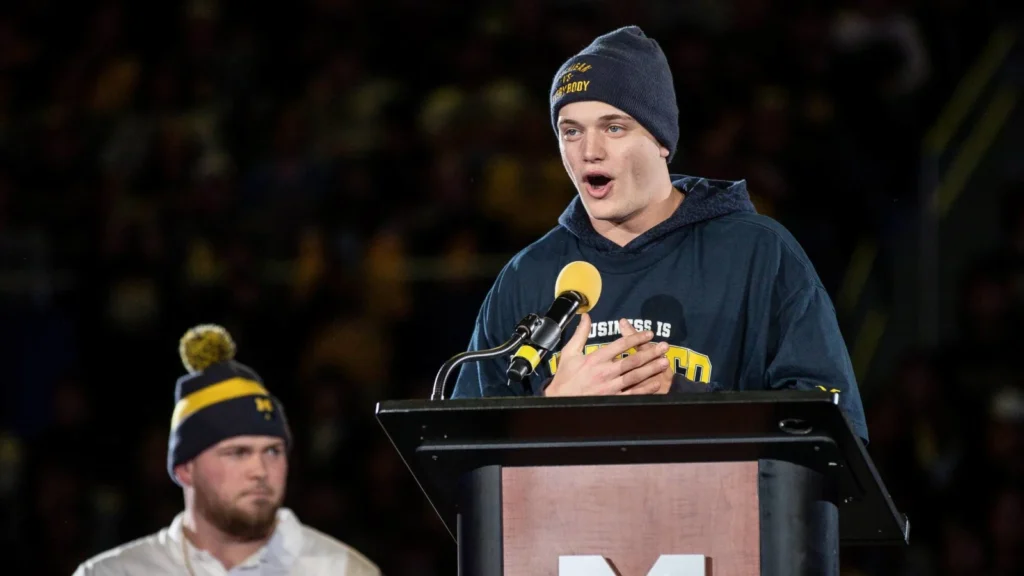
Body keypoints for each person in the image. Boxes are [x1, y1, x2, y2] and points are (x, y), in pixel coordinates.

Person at [450, 25, 868, 444]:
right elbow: (463, 455)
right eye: (571, 130)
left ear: (661, 140)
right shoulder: (528, 275)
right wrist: (553, 406)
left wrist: (682, 398)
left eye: (613, 127)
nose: (589, 150)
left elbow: (833, 430)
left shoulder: (758, 254)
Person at [72, 324, 381, 576]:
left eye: (273, 451)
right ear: (185, 468)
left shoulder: (342, 571)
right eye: (237, 452)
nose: (260, 471)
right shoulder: (114, 573)